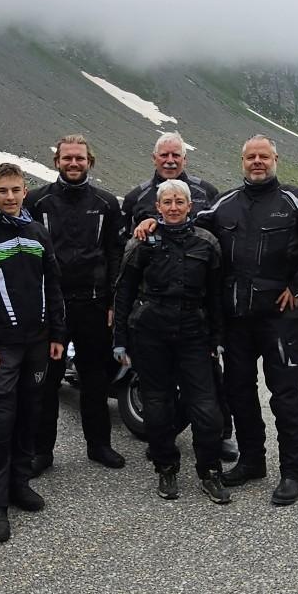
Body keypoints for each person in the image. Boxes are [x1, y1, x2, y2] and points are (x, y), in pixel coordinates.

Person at [142, 136, 298, 505]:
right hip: (236, 320)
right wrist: (153, 224)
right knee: (239, 393)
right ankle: (252, 460)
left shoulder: (296, 201)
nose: (257, 162)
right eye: (251, 157)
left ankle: (294, 472)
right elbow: (187, 224)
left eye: (264, 156)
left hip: (280, 318)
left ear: (275, 159)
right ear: (242, 161)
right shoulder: (225, 204)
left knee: (285, 396)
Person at [0, 163, 65, 543]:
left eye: (16, 190)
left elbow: (52, 284)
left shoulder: (37, 231)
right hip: (1, 347)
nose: (10, 197)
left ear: (24, 192)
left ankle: (19, 484)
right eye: (2, 190)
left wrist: (57, 333)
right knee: (0, 422)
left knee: (29, 415)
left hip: (38, 343)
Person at [114, 179, 229, 503]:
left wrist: (218, 337)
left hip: (194, 332)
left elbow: (216, 296)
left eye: (180, 201)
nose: (174, 207)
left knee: (207, 409)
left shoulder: (207, 243)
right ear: (158, 207)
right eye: (168, 202)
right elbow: (124, 291)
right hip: (151, 332)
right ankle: (166, 467)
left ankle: (209, 471)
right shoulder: (142, 243)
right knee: (156, 405)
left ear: (190, 206)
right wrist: (119, 338)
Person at [24, 134, 126, 472]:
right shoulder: (37, 202)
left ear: (89, 162)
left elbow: (115, 253)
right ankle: (42, 451)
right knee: (47, 380)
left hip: (93, 304)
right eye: (67, 158)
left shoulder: (107, 203)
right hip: (51, 307)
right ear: (57, 162)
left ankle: (99, 445)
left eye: (79, 158)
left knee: (95, 378)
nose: (73, 163)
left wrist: (113, 299)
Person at [121, 131, 223, 225]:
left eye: (175, 155)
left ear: (184, 159)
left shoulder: (207, 192)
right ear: (154, 158)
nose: (170, 160)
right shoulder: (135, 197)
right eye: (164, 155)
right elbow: (122, 239)